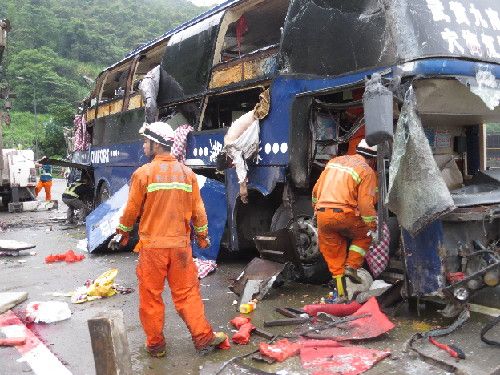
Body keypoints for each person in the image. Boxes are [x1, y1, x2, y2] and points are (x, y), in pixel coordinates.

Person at [114, 121, 227, 358]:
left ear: (156, 144)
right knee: (187, 294)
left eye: (146, 141)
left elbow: (131, 210)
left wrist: (123, 232)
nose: (144, 145)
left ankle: (156, 345)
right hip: (180, 248)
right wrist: (203, 237)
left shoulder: (143, 174)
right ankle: (203, 338)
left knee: (151, 297)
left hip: (153, 249)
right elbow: (199, 211)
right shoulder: (188, 174)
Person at [312, 139, 377, 299]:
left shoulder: (334, 162)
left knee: (334, 259)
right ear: (374, 158)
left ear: (357, 150)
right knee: (363, 236)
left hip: (323, 214)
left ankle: (342, 294)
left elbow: (315, 191)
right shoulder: (367, 171)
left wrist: (316, 211)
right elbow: (365, 205)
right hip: (345, 214)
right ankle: (351, 267)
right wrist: (372, 225)